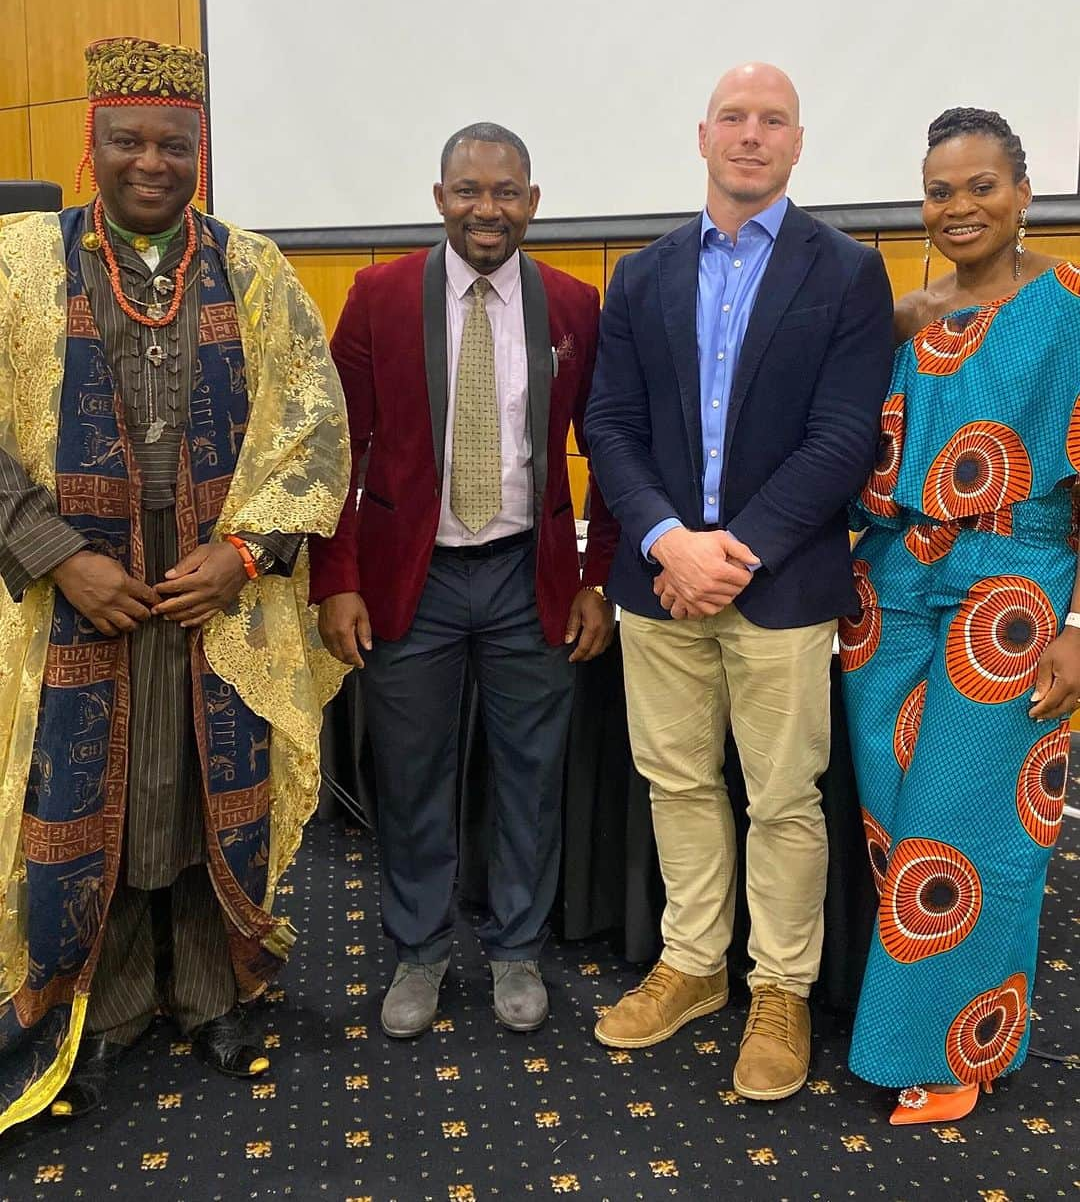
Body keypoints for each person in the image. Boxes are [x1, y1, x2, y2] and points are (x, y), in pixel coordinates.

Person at [0, 37, 349, 1130]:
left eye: (172, 143)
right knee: (89, 792)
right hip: (72, 588)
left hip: (214, 585)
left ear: (201, 150)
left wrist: (244, 555)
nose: (150, 161)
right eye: (127, 140)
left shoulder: (254, 268)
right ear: (88, 143)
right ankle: (90, 1012)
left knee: (201, 788)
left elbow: (314, 426)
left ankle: (208, 991)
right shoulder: (17, 262)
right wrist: (62, 556)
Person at [583, 63, 894, 1100]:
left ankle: (782, 988)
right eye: (733, 118)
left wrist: (733, 552)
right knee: (675, 783)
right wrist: (671, 541)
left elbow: (845, 437)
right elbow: (610, 426)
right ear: (702, 136)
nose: (750, 136)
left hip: (782, 583)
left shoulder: (847, 270)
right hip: (659, 583)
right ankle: (694, 966)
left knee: (783, 798)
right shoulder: (642, 274)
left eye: (772, 122)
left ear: (798, 144)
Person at [310, 122, 619, 1038]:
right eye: (470, 190)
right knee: (411, 774)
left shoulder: (572, 304)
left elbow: (606, 448)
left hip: (534, 578)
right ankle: (420, 949)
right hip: (414, 581)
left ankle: (517, 947)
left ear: (534, 201)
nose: (489, 208)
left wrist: (596, 576)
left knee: (530, 774)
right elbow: (337, 449)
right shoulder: (378, 296)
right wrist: (337, 579)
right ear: (440, 197)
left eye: (507, 191)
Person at [841, 108, 1080, 1124]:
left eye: (982, 185)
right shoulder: (908, 315)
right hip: (890, 582)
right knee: (897, 816)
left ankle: (954, 1050)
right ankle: (946, 1014)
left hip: (1015, 588)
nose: (960, 206)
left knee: (965, 824)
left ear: (1025, 193)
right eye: (940, 191)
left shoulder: (1070, 307)